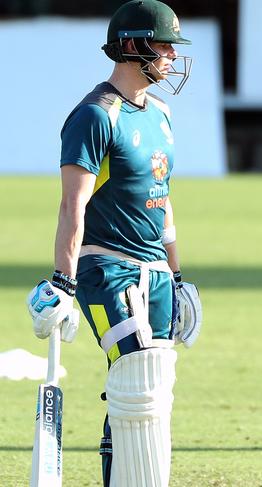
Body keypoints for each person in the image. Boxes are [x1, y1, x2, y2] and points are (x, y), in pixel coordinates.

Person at [26, 1, 202, 485]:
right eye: (163, 44)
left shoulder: (161, 114)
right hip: (107, 268)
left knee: (148, 389)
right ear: (132, 46)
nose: (171, 55)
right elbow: (71, 206)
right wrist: (62, 283)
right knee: (140, 375)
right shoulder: (94, 115)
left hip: (157, 273)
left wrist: (178, 274)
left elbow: (162, 201)